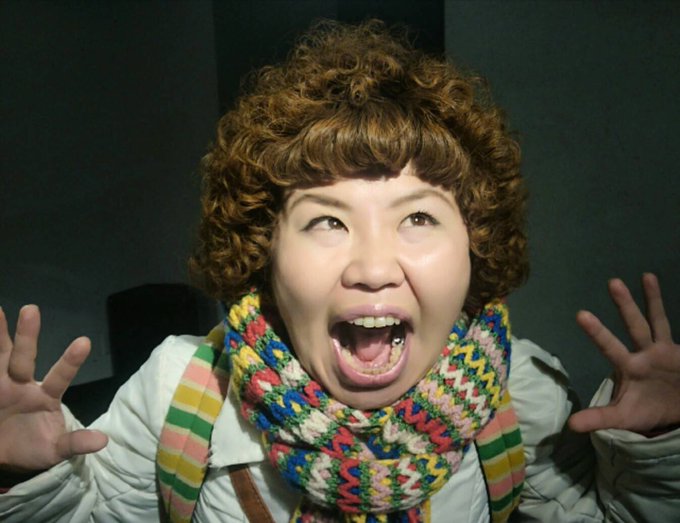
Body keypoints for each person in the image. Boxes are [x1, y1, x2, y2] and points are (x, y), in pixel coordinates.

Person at [1, 19, 679, 523]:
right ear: (265, 250)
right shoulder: (178, 393)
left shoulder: (521, 394)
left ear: (476, 246)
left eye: (419, 217)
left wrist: (657, 451)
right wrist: (22, 481)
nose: (373, 267)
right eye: (327, 221)